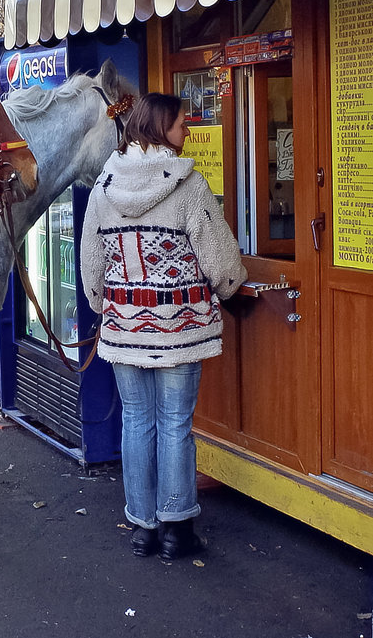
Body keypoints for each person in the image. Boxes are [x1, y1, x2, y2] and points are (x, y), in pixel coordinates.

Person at [80, 93, 246, 561]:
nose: (187, 132)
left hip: (123, 328)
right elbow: (220, 260)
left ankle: (143, 528)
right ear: (159, 129)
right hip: (180, 328)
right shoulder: (188, 186)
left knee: (136, 422)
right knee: (175, 423)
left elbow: (91, 263)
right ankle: (177, 530)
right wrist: (232, 288)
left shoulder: (104, 185)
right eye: (180, 125)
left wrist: (103, 304)